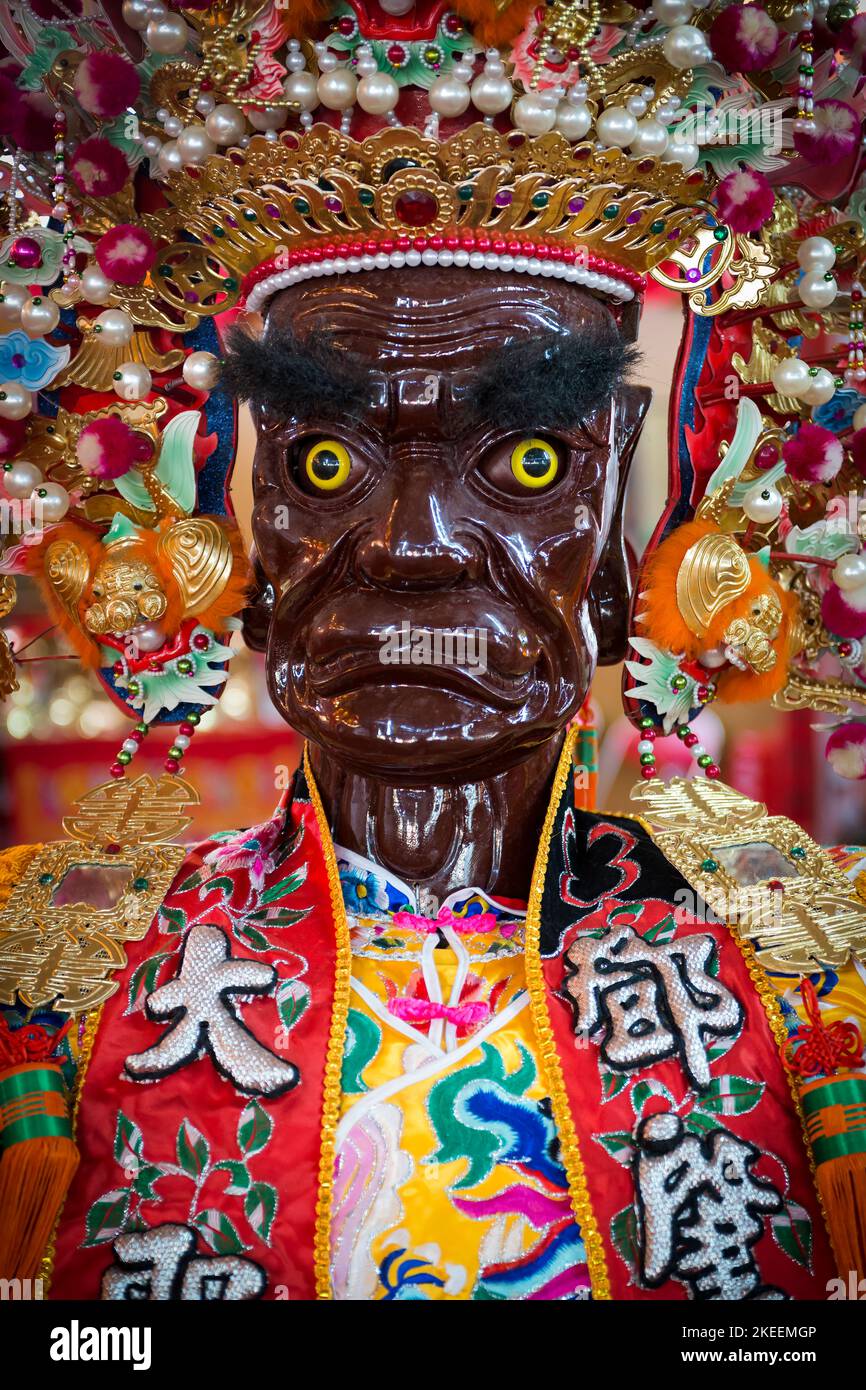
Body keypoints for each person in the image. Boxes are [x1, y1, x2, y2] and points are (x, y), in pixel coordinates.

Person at [0, 0, 865, 1301]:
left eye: (526, 461)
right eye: (328, 460)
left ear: (644, 549)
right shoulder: (42, 981)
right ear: (235, 539)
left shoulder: (818, 987)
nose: (412, 547)